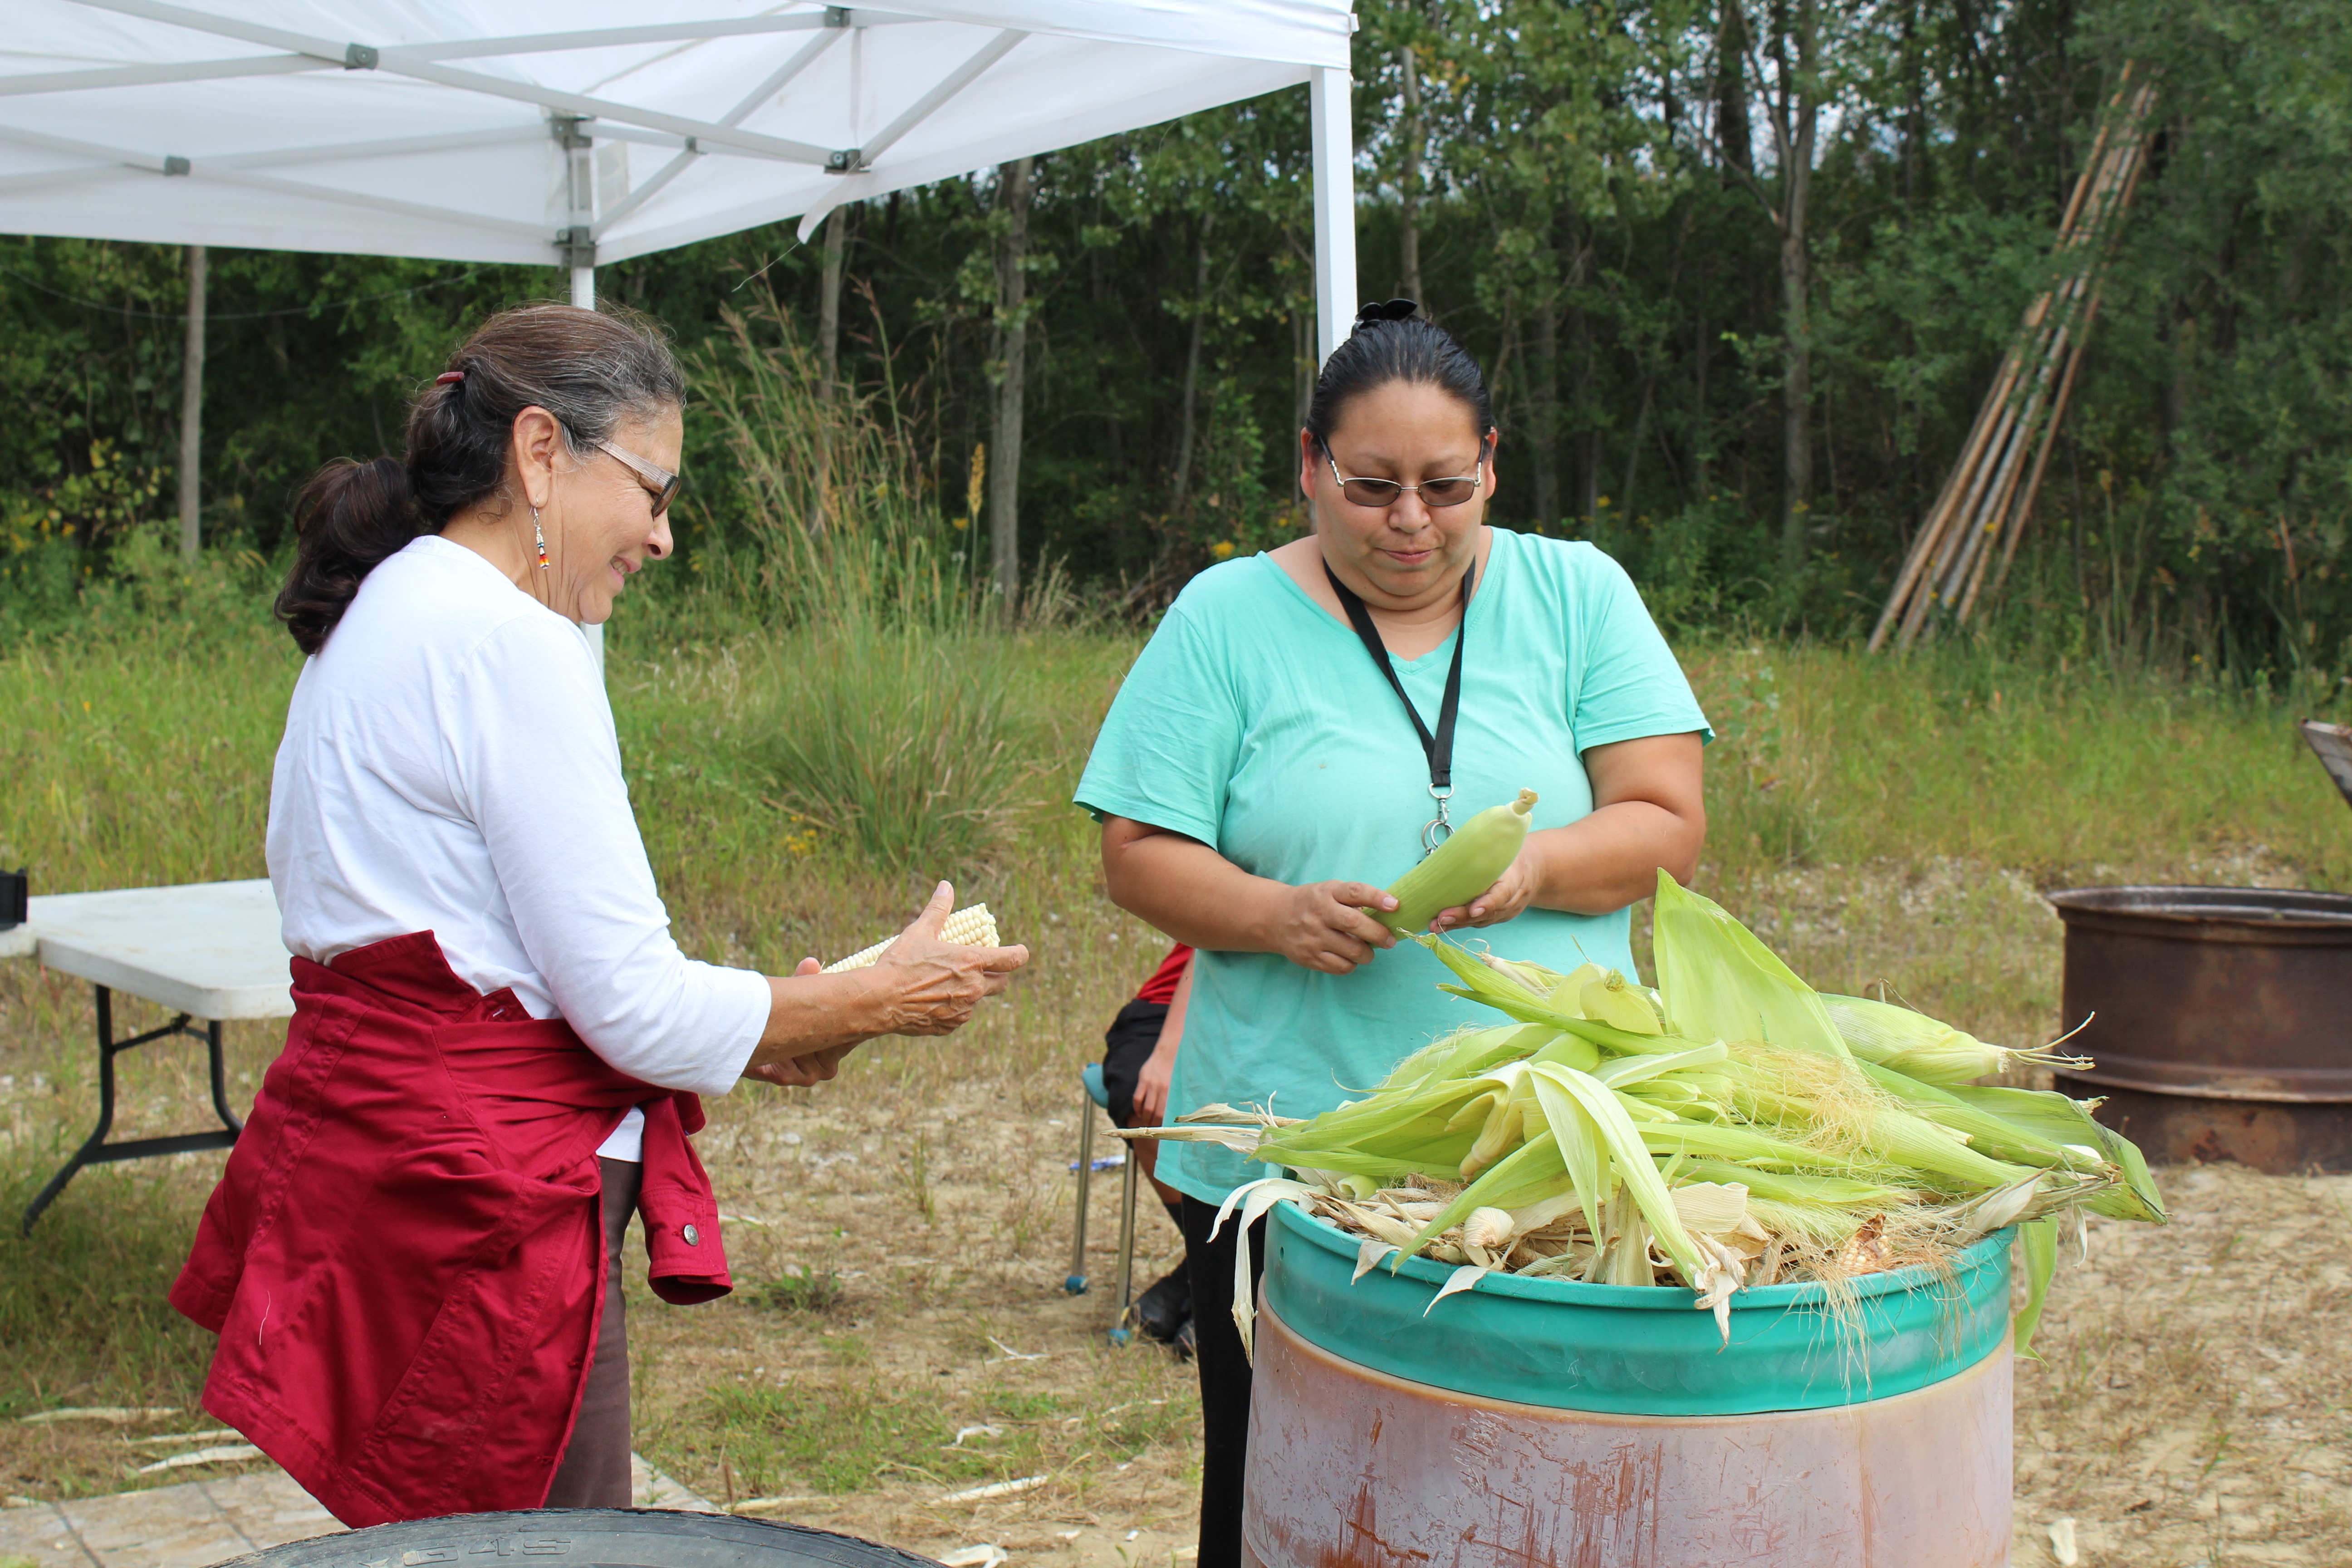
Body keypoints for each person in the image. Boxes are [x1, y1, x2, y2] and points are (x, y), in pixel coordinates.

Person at [169, 304, 1028, 1529]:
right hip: (485, 1193)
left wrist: (795, 1019)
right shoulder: (505, 640)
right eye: (653, 490)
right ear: (538, 453)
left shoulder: (395, 604)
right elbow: (633, 1007)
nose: (665, 537)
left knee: (443, 1541)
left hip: (399, 1155)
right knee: (537, 1543)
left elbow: (511, 963)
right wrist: (866, 999)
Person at [1073, 299, 1709, 1568]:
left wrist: (1537, 867)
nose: (1410, 522)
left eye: (1443, 485)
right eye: (1369, 488)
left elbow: (1667, 825)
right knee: (1288, 1504)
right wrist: (1275, 915)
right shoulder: (1224, 619)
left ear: (1492, 469)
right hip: (1289, 1152)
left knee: (1535, 1498)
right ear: (1310, 466)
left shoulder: (1577, 595)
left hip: (1542, 1154)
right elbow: (1136, 854)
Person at [1098, 943, 1195, 1353]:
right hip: (1173, 1002)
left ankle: (1199, 1280)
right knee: (1146, 1096)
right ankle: (1217, 1277)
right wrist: (1168, 1051)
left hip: (1294, 1013)